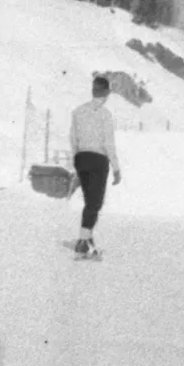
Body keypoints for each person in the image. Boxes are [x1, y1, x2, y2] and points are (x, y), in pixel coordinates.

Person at [69, 75, 121, 257]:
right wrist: (116, 167)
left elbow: (73, 138)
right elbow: (109, 143)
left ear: (93, 90)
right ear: (106, 92)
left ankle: (88, 239)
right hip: (98, 160)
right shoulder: (106, 115)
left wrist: (76, 160)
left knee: (89, 201)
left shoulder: (78, 111)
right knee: (95, 202)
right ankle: (83, 242)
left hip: (81, 158)